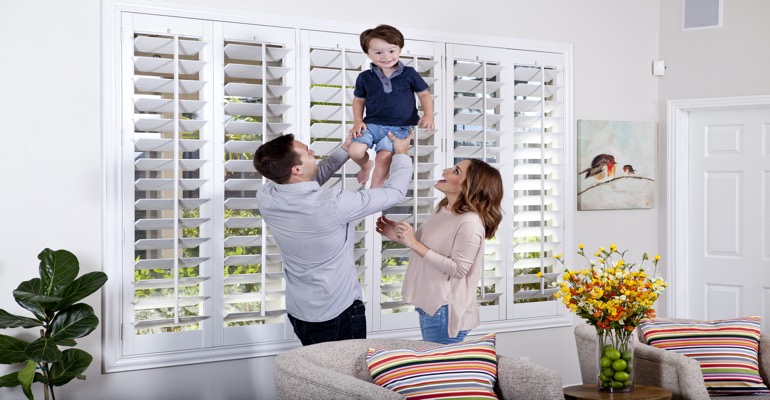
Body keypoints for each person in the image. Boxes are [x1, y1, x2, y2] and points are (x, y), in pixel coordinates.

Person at [253, 131, 413, 346]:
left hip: (301, 311)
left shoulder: (266, 196)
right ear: (297, 169)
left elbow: (302, 184)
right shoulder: (334, 203)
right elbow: (394, 193)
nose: (312, 151)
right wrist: (402, 155)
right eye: (307, 152)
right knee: (347, 378)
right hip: (338, 312)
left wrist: (345, 149)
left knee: (320, 375)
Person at [376, 159, 503, 344]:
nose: (445, 170)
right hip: (431, 305)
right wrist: (398, 236)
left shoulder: (470, 222)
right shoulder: (444, 209)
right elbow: (425, 248)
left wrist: (413, 243)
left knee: (440, 371)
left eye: (456, 171)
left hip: (444, 310)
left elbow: (458, 269)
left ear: (470, 186)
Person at [349, 24, 435, 188]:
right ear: (368, 53)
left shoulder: (409, 73)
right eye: (378, 52)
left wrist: (428, 115)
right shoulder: (365, 77)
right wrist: (358, 121)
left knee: (383, 158)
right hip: (372, 124)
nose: (386, 56)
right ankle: (366, 166)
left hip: (399, 127)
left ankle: (374, 195)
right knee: (355, 151)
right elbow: (359, 100)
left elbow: (424, 94)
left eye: (391, 51)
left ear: (400, 50)